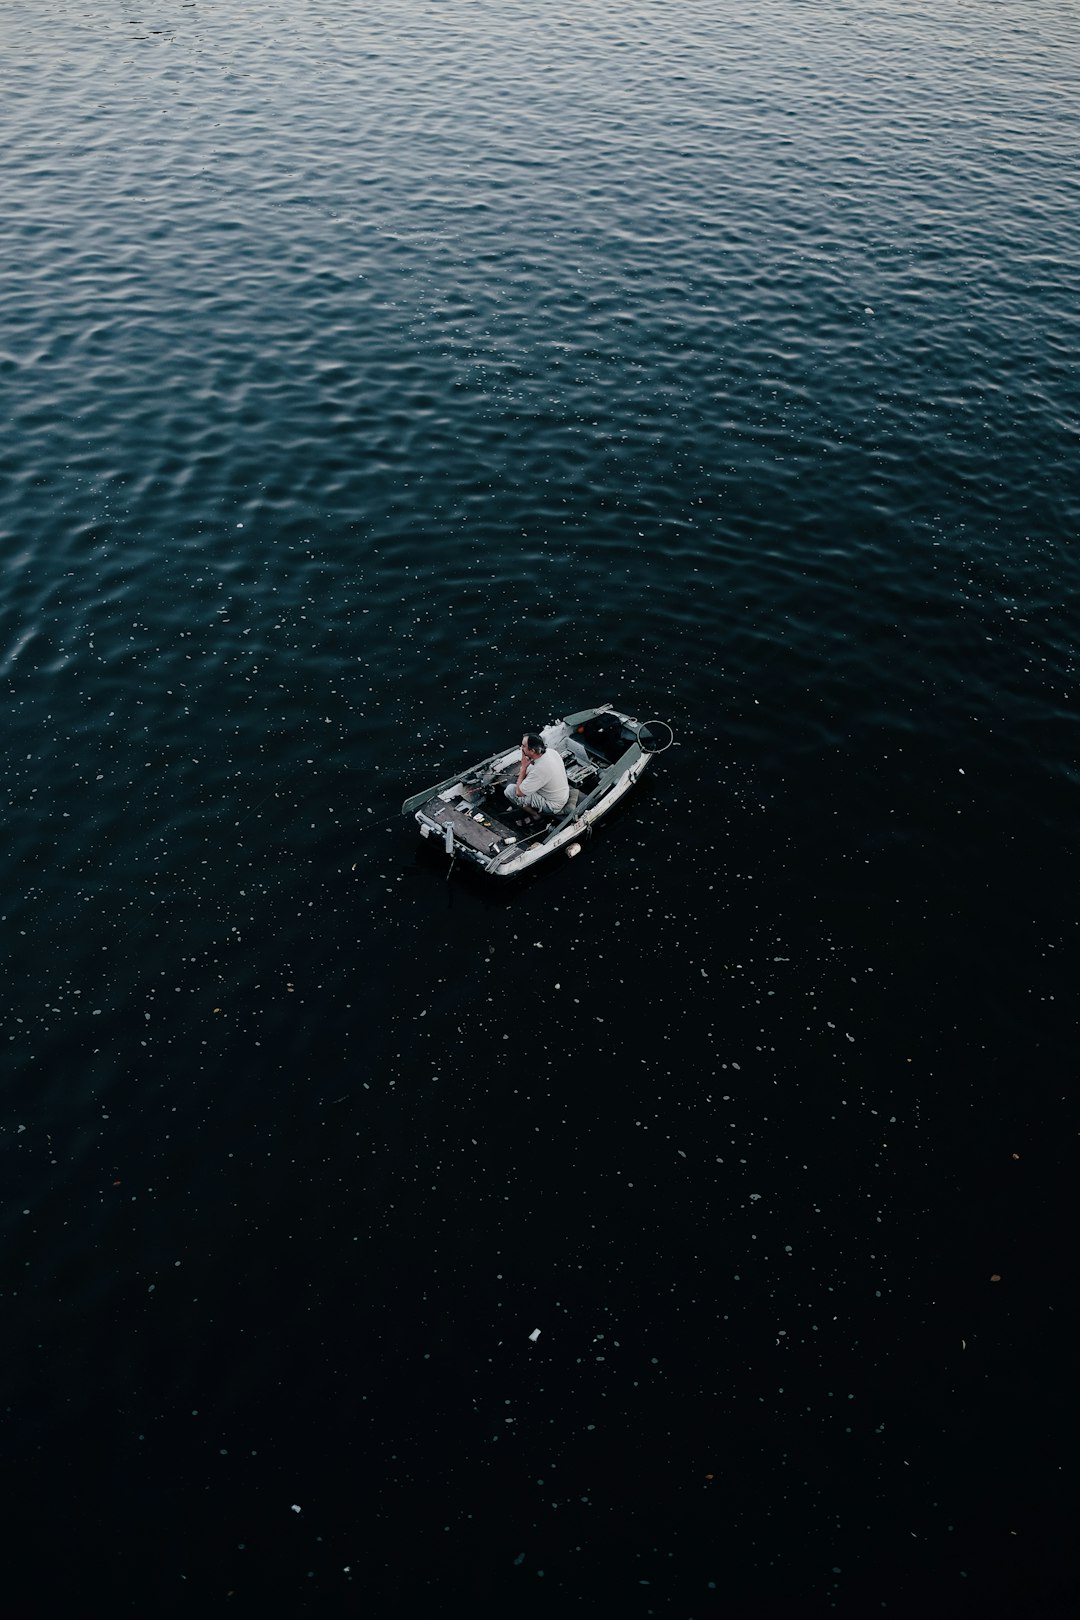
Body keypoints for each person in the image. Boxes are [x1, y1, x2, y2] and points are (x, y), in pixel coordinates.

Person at [504, 733, 569, 816]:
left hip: (552, 805)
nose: (521, 748)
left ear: (532, 751)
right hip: (562, 794)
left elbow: (519, 793)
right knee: (527, 772)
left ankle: (535, 815)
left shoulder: (540, 770)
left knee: (510, 791)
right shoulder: (551, 752)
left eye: (523, 746)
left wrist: (523, 767)